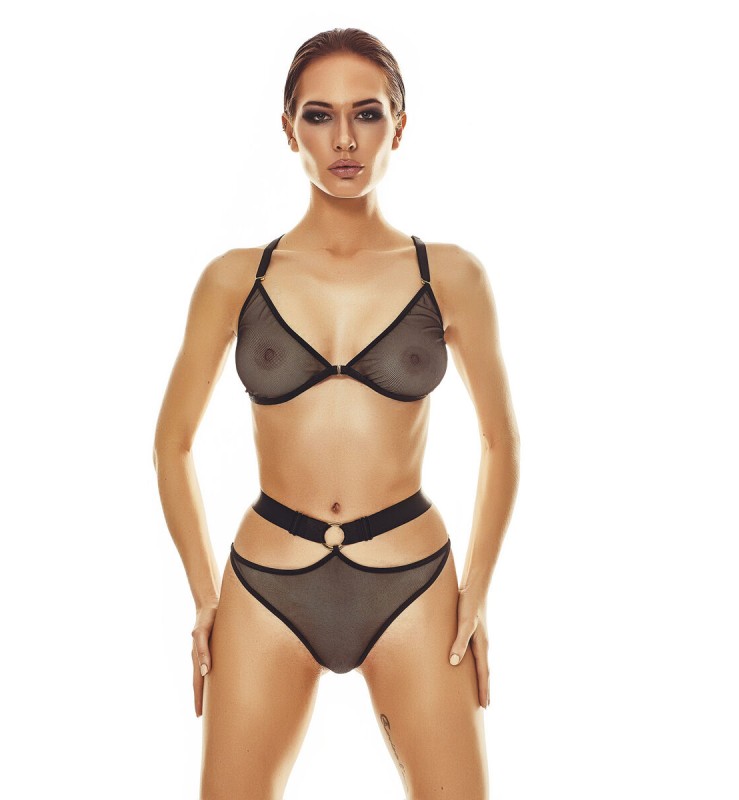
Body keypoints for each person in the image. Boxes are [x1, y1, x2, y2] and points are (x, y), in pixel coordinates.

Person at [153, 27, 520, 800]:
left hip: (414, 582)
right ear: (289, 129)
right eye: (319, 116)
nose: (344, 140)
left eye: (368, 114)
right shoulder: (235, 279)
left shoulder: (449, 276)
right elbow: (173, 444)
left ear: (400, 126)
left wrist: (477, 591)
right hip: (266, 584)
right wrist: (204, 597)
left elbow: (500, 439)